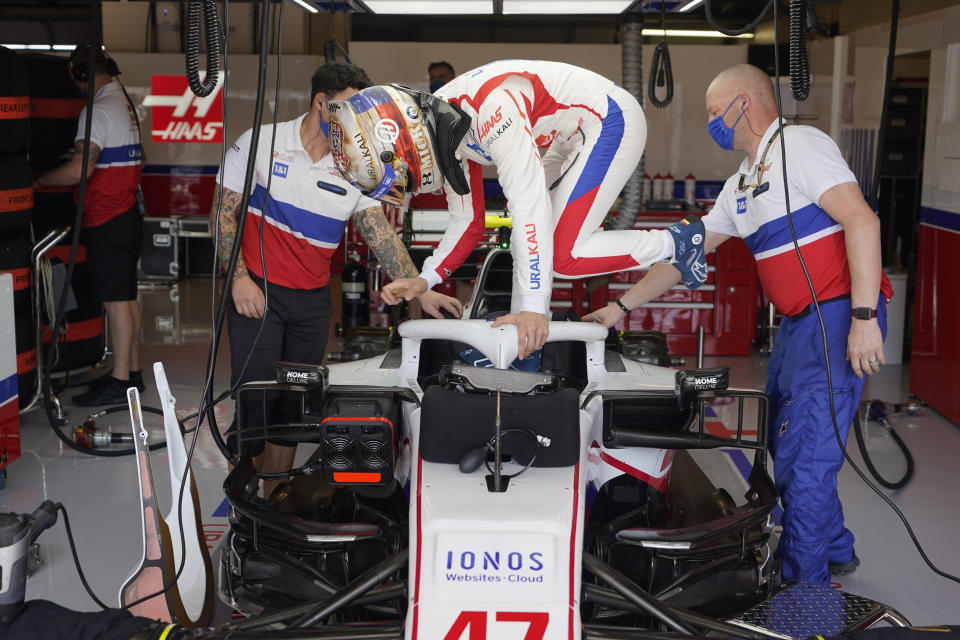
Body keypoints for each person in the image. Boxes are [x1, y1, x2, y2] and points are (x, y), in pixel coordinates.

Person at [584, 63, 894, 585]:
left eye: (713, 112)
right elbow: (686, 254)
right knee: (784, 439)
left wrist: (863, 317)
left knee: (807, 456)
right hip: (800, 326)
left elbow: (862, 220)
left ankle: (805, 592)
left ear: (743, 104)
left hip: (839, 313)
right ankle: (835, 545)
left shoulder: (800, 146)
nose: (712, 123)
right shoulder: (742, 184)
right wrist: (622, 306)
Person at [326, 60, 708, 360]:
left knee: (565, 255)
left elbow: (528, 206)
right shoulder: (446, 124)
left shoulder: (491, 109)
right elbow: (468, 221)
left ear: (408, 143)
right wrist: (426, 278)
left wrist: (533, 309)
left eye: (404, 175)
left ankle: (677, 242)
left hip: (608, 120)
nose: (409, 183)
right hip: (562, 136)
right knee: (554, 254)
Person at [215, 61, 461, 497]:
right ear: (322, 103)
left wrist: (422, 287)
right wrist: (238, 280)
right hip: (258, 295)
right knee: (255, 406)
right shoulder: (261, 142)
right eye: (350, 109)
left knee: (295, 409)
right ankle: (242, 505)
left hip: (311, 305)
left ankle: (272, 506)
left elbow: (380, 236)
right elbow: (223, 215)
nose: (357, 123)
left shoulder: (355, 164)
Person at [35, 45, 145, 406]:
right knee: (127, 298)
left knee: (115, 303)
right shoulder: (124, 105)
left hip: (107, 216)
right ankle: (131, 373)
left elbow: (77, 171)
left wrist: (38, 181)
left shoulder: (96, 110)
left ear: (82, 74)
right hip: (127, 213)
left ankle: (119, 382)